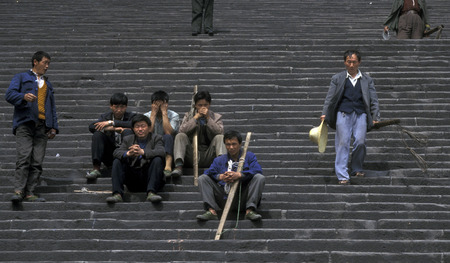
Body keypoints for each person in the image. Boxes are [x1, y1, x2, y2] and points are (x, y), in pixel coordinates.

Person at [5, 51, 58, 203]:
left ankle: (30, 192)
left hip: (42, 126)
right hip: (25, 124)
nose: (47, 66)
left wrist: (53, 127)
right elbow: (9, 95)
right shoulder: (21, 77)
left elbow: (52, 107)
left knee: (37, 160)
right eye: (45, 62)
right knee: (24, 157)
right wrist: (23, 96)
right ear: (35, 62)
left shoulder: (48, 84)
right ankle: (19, 190)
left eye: (48, 64)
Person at [321, 50, 380, 185]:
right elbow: (330, 98)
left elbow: (374, 99)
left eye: (354, 62)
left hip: (360, 114)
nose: (351, 65)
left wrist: (375, 115)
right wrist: (325, 113)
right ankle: (342, 174)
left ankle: (356, 168)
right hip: (343, 113)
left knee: (360, 141)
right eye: (349, 62)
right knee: (343, 143)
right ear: (345, 62)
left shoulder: (366, 80)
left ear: (359, 62)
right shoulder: (337, 78)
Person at [196, 130, 265, 221]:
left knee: (259, 177)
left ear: (240, 144)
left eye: (234, 144)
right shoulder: (219, 160)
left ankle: (250, 210)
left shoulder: (249, 156)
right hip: (224, 197)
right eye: (228, 144)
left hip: (243, 198)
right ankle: (211, 211)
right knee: (202, 178)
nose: (231, 147)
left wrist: (240, 175)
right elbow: (209, 172)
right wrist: (220, 177)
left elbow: (257, 170)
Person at [106, 114, 166, 204]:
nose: (140, 129)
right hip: (133, 178)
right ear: (133, 129)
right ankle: (117, 194)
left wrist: (143, 152)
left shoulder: (156, 138)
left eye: (143, 126)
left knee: (158, 159)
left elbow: (161, 152)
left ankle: (151, 192)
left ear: (149, 128)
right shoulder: (128, 139)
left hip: (149, 176)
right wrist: (128, 153)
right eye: (137, 127)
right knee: (117, 160)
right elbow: (116, 152)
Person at [171, 90, 226, 177]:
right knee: (180, 136)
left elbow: (220, 132)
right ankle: (178, 166)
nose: (203, 108)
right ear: (195, 105)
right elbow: (181, 130)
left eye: (205, 105)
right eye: (200, 105)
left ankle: (221, 167)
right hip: (192, 154)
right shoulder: (188, 116)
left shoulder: (216, 117)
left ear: (209, 104)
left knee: (220, 137)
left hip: (209, 155)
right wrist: (195, 119)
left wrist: (208, 118)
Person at [86, 93, 136, 180]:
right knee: (97, 134)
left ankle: (130, 166)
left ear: (126, 107)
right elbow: (91, 126)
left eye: (122, 107)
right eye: (116, 107)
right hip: (110, 153)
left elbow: (134, 124)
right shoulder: (105, 117)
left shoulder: (131, 116)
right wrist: (113, 129)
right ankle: (96, 168)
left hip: (126, 153)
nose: (119, 110)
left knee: (128, 131)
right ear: (111, 106)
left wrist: (112, 123)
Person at [144, 90, 179, 177]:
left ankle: (168, 165)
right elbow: (148, 132)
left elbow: (169, 132)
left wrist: (164, 113)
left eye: (162, 104)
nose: (159, 107)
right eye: (157, 104)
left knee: (167, 136)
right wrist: (153, 114)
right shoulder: (147, 115)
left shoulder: (174, 115)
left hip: (168, 144)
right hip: (153, 144)